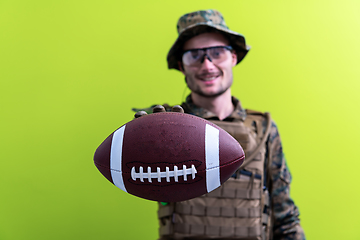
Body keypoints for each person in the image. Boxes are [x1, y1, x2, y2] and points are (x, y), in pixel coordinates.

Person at [134, 9, 305, 240]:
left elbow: (286, 219)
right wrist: (142, 142)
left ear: (233, 57)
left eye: (217, 53)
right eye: (194, 55)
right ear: (181, 65)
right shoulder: (166, 128)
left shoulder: (264, 130)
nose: (207, 65)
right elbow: (139, 176)